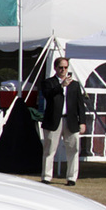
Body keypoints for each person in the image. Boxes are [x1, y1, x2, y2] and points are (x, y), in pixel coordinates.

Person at [40, 56, 87, 185]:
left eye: (65, 67)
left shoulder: (75, 85)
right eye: (60, 67)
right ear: (55, 68)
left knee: (73, 149)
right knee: (49, 150)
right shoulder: (49, 82)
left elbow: (80, 104)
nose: (63, 70)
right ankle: (46, 176)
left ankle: (71, 177)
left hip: (70, 120)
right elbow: (48, 95)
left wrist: (82, 121)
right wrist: (61, 86)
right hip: (53, 120)